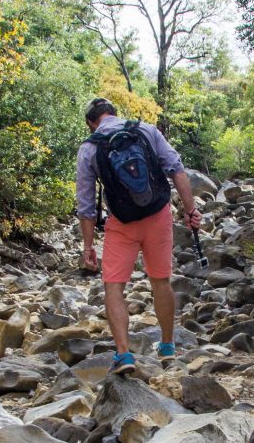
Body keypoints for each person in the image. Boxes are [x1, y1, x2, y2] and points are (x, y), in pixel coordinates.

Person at [76, 97, 203, 375]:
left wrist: (87, 246)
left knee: (113, 287)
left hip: (121, 223)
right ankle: (168, 348)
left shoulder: (89, 148)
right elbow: (176, 169)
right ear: (114, 113)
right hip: (157, 215)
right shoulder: (146, 130)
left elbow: (85, 205)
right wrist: (190, 210)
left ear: (91, 123)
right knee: (160, 281)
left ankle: (124, 354)